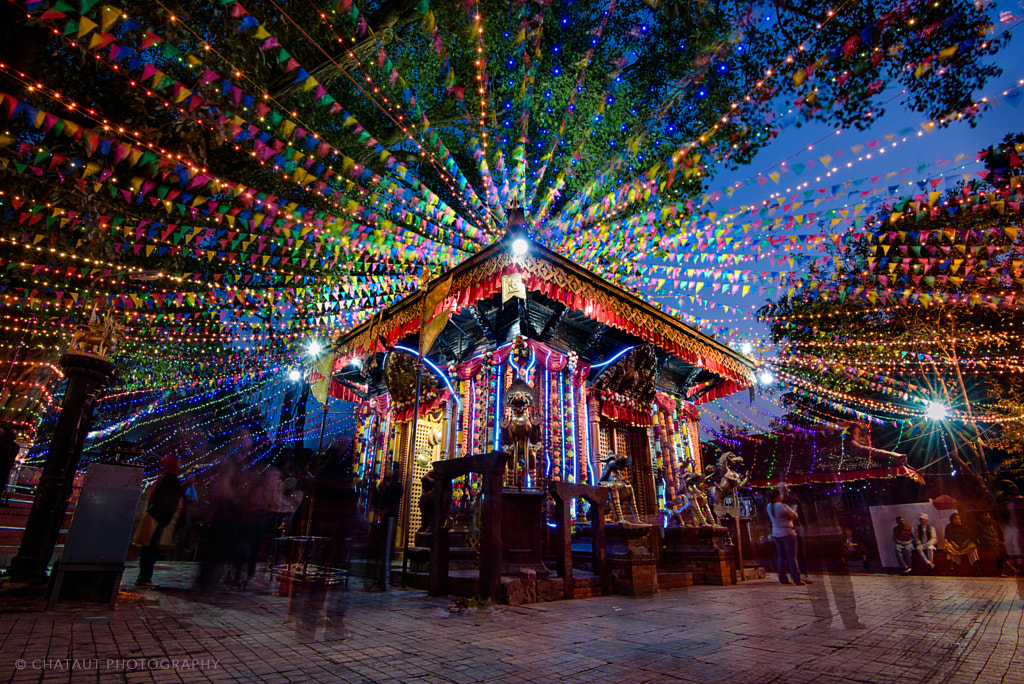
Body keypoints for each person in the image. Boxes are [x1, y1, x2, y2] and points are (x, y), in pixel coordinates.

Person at [136, 454, 186, 588]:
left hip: (153, 515)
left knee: (148, 548)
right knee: (150, 548)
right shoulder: (170, 478)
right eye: (178, 462)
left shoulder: (163, 477)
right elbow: (171, 496)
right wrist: (186, 485)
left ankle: (144, 576)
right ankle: (145, 577)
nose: (180, 465)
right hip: (156, 517)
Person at [767, 489, 803, 585]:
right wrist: (794, 511)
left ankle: (782, 578)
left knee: (781, 557)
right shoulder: (782, 506)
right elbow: (793, 516)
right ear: (778, 496)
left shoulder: (769, 506)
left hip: (776, 533)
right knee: (792, 557)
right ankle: (797, 579)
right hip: (787, 532)